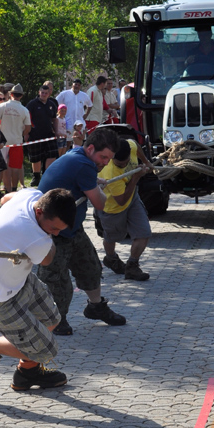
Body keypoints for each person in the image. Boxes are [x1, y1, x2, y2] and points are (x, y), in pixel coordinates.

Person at [0, 188, 77, 391]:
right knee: (45, 350)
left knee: (51, 320)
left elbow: (5, 198)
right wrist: (32, 237)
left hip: (19, 282)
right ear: (39, 212)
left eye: (59, 230)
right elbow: (48, 259)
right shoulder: (37, 239)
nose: (55, 234)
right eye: (54, 228)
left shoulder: (31, 196)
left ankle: (27, 373)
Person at [37, 126, 126, 335]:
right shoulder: (83, 164)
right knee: (56, 279)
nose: (105, 163)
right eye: (103, 157)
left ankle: (96, 307)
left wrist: (93, 182)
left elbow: (78, 180)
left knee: (91, 267)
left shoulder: (77, 154)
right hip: (52, 232)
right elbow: (100, 204)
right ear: (91, 148)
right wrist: (99, 189)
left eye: (109, 159)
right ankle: (55, 320)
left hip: (71, 229)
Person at [98, 138, 153, 280]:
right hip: (113, 207)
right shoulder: (110, 172)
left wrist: (146, 161)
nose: (123, 166)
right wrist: (135, 178)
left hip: (132, 198)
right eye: (119, 164)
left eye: (125, 162)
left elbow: (136, 145)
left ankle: (132, 266)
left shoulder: (130, 146)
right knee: (112, 237)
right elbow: (121, 201)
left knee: (144, 232)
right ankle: (111, 258)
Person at [0, 84, 32, 193]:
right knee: (15, 167)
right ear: (21, 96)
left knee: (2, 167)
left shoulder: (2, 106)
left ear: (10, 94)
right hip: (17, 141)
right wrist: (20, 134)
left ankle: (2, 190)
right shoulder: (24, 110)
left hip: (3, 142)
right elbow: (28, 128)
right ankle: (13, 190)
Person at [26, 84, 59, 186]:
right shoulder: (32, 104)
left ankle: (46, 175)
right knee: (36, 157)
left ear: (49, 94)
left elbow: (54, 119)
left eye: (46, 93)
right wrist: (26, 133)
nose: (44, 95)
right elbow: (26, 118)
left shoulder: (52, 104)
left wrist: (57, 131)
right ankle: (36, 177)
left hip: (49, 134)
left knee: (52, 155)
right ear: (39, 92)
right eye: (42, 93)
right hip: (35, 135)